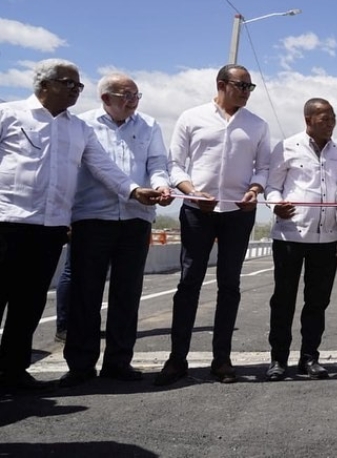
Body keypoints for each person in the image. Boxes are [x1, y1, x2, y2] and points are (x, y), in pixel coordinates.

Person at [0, 59, 160, 391]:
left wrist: (134, 191)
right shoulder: (9, 114)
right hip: (8, 221)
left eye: (78, 85)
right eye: (67, 83)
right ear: (44, 84)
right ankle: (71, 366)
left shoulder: (78, 129)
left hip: (50, 228)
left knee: (28, 304)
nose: (75, 90)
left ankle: (13, 372)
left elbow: (104, 167)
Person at [154, 64, 271, 386]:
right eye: (241, 86)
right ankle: (177, 359)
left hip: (238, 212)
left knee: (229, 285)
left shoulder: (257, 125)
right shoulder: (191, 117)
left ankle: (222, 359)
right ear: (221, 84)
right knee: (189, 282)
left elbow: (263, 167)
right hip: (197, 210)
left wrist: (254, 189)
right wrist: (191, 191)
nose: (247, 92)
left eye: (250, 88)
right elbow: (174, 164)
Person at [60, 74, 172, 387]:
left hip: (136, 219)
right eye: (126, 96)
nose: (133, 101)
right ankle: (80, 365)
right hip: (93, 217)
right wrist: (134, 190)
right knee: (85, 294)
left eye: (136, 95)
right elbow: (98, 167)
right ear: (105, 98)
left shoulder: (149, 125)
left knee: (127, 294)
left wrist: (161, 185)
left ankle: (119, 361)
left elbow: (157, 163)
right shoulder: (83, 125)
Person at [264, 98, 337, 381]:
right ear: (308, 120)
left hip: (326, 240)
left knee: (317, 302)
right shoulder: (287, 147)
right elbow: (272, 186)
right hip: (290, 236)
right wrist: (275, 204)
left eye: (333, 118)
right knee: (283, 300)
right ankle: (278, 359)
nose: (330, 123)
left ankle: (310, 358)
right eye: (324, 118)